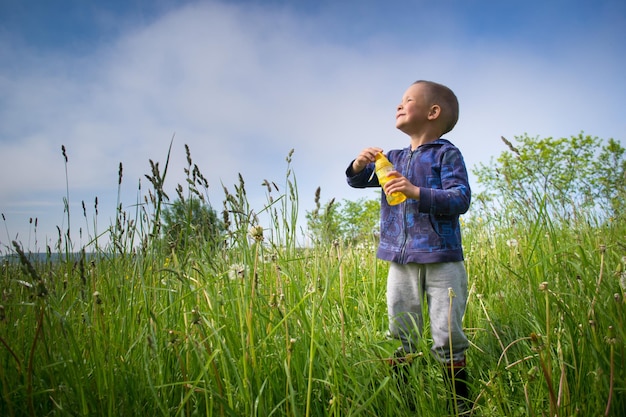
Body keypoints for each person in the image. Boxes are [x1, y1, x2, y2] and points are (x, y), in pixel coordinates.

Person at [345, 80, 471, 412]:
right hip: (400, 259)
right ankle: (404, 398)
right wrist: (359, 166)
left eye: (408, 100)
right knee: (401, 330)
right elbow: (361, 181)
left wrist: (416, 192)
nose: (399, 105)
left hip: (442, 257)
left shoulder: (447, 153)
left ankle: (458, 402)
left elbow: (460, 198)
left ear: (433, 112)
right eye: (399, 101)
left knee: (446, 333)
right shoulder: (394, 157)